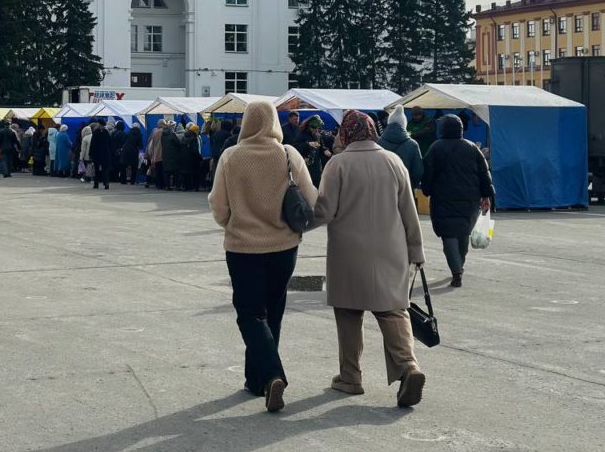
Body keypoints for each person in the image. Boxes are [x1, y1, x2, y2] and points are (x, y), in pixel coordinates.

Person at [208, 101, 318, 413]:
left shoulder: (231, 156)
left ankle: (271, 375)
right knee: (273, 309)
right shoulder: (288, 154)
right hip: (284, 247)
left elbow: (218, 205)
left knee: (249, 312)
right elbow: (310, 198)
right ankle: (256, 380)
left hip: (243, 248)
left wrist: (231, 223)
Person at [312, 109, 427, 408]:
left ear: (347, 133)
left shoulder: (337, 165)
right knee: (394, 311)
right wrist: (416, 250)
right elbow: (409, 212)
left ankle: (350, 378)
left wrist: (294, 221)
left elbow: (324, 211)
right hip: (392, 250)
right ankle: (408, 367)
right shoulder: (394, 161)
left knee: (349, 313)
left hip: (349, 253)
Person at [422, 114, 494, 288]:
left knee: (448, 236)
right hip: (469, 200)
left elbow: (428, 173)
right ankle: (459, 267)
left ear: (443, 129)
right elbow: (484, 174)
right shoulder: (472, 148)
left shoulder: (435, 148)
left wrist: (426, 189)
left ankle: (456, 271)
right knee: (463, 234)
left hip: (443, 200)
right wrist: (487, 195)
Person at [377, 106, 424, 190]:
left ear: (389, 122)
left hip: (382, 190)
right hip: (405, 189)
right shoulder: (412, 144)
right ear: (404, 124)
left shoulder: (378, 143)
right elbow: (418, 171)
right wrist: (410, 186)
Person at [294, 116, 333, 187]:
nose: (317, 130)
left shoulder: (318, 135)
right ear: (310, 127)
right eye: (316, 128)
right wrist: (308, 144)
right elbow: (296, 147)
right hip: (305, 164)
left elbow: (321, 146)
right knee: (306, 185)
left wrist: (325, 150)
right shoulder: (301, 134)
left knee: (317, 183)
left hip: (317, 165)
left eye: (319, 128)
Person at [89, 122, 112, 190]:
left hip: (97, 154)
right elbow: (110, 143)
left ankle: (96, 184)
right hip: (105, 154)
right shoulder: (106, 132)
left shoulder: (95, 132)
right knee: (105, 169)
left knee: (96, 169)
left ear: (99, 125)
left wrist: (90, 154)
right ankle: (106, 183)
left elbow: (92, 144)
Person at [180, 124, 203, 191]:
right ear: (195, 131)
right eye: (198, 130)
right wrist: (199, 157)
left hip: (184, 157)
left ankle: (186, 187)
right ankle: (195, 187)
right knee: (195, 173)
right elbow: (195, 150)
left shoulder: (184, 137)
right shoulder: (194, 138)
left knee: (186, 173)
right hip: (192, 158)